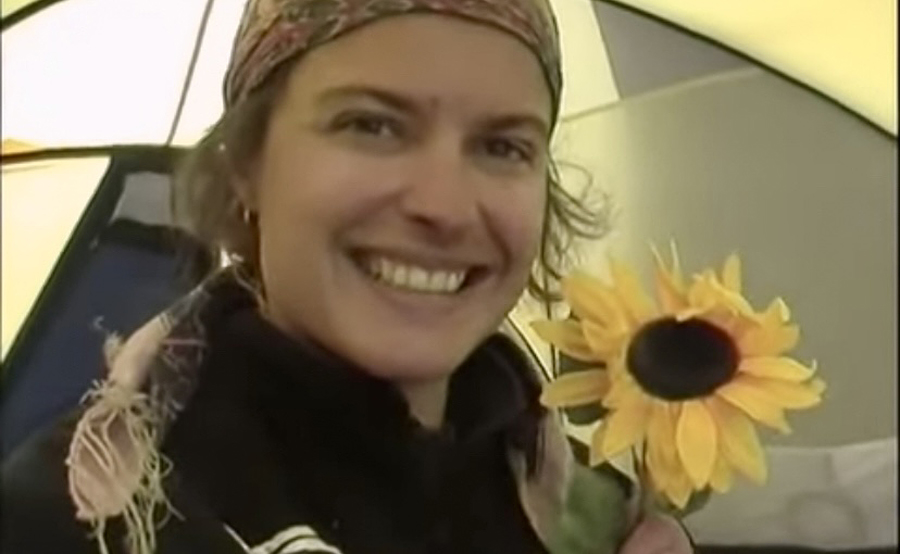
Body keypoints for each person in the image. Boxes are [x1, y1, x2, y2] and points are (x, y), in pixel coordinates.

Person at [1, 0, 695, 553]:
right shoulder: (77, 525)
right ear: (247, 163)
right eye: (372, 125)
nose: (444, 206)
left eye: (502, 145)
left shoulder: (600, 513)